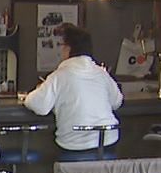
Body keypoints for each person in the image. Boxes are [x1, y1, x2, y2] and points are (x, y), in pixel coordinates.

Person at [22, 23, 122, 159]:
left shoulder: (59, 76)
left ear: (68, 48)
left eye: (61, 45)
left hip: (75, 146)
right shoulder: (101, 73)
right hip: (107, 144)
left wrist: (30, 95)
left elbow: (39, 106)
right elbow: (117, 102)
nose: (60, 50)